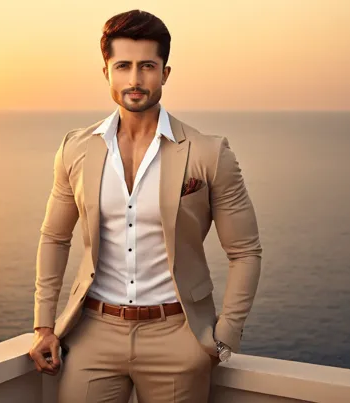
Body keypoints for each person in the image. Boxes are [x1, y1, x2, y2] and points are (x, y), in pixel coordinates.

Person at [28, 9, 262, 403]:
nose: (135, 80)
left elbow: (245, 251)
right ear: (106, 72)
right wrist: (43, 326)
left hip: (177, 335)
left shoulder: (209, 153)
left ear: (165, 73)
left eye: (147, 67)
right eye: (123, 66)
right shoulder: (75, 148)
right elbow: (54, 238)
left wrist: (225, 336)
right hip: (92, 335)